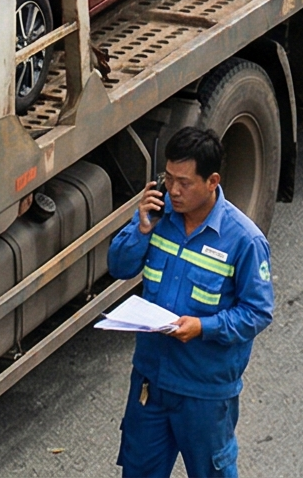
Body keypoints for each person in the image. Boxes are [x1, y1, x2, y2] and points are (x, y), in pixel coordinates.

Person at [104, 125, 274, 478]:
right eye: (168, 179)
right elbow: (119, 266)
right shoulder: (157, 217)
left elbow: (257, 312)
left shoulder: (244, 240)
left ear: (213, 181)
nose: (173, 191)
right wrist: (140, 229)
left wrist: (203, 327)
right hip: (151, 382)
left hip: (204, 393)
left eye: (184, 182)